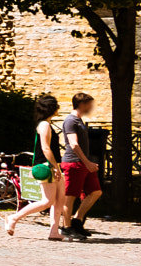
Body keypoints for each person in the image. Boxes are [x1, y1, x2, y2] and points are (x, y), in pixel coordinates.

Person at [6, 95, 63, 236]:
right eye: (56, 106)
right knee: (47, 201)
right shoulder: (44, 125)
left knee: (59, 199)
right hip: (46, 166)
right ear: (51, 108)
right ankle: (13, 218)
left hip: (52, 165)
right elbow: (45, 148)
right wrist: (55, 167)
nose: (58, 108)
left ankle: (54, 231)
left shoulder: (46, 124)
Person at [55, 93, 104, 240]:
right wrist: (87, 162)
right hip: (74, 163)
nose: (91, 107)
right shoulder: (70, 120)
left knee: (96, 192)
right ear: (82, 104)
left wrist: (87, 163)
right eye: (89, 104)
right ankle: (66, 227)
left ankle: (77, 221)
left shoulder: (79, 120)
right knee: (70, 197)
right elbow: (73, 144)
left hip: (82, 163)